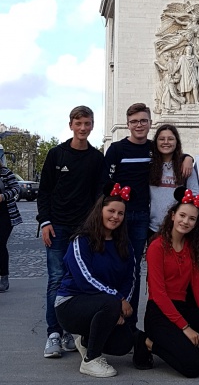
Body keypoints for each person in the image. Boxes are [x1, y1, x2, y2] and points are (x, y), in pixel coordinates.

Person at [105, 103, 193, 327]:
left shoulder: (153, 149)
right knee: (119, 267)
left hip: (143, 217)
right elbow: (104, 184)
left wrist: (188, 157)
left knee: (140, 270)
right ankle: (113, 318)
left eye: (143, 121)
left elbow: (172, 150)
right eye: (134, 121)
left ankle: (137, 325)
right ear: (127, 125)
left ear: (150, 123)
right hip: (121, 217)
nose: (139, 125)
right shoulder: (116, 149)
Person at [134, 188, 199, 377]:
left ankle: (184, 341)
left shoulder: (192, 247)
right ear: (172, 215)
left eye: (192, 218)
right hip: (160, 313)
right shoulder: (156, 247)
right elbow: (159, 294)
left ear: (196, 223)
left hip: (184, 309)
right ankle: (147, 342)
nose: (185, 222)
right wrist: (185, 328)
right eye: (182, 215)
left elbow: (198, 286)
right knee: (194, 367)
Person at [38, 105, 107, 359]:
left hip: (83, 230)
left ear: (92, 125)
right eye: (78, 124)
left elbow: (99, 195)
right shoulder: (57, 155)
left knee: (79, 280)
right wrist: (45, 222)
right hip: (56, 227)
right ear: (71, 126)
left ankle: (69, 330)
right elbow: (44, 191)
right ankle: (53, 333)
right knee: (56, 279)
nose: (83, 128)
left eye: (87, 124)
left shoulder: (96, 158)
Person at [54, 183, 136, 378]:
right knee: (109, 303)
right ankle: (91, 359)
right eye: (111, 211)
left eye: (120, 213)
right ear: (100, 210)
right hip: (71, 303)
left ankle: (85, 342)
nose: (115, 217)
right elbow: (85, 279)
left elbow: (130, 278)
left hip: (105, 305)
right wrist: (117, 301)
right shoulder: (81, 240)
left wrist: (123, 303)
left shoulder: (125, 244)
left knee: (124, 343)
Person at [149, 124, 199, 232]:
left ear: (177, 142)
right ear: (156, 142)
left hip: (178, 229)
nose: (166, 142)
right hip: (153, 228)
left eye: (171, 139)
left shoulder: (185, 166)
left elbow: (195, 195)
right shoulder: (149, 166)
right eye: (161, 139)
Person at [0, 156, 22, 293]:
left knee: (0, 243)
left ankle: (4, 276)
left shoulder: (5, 172)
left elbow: (16, 188)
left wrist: (3, 196)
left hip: (5, 215)